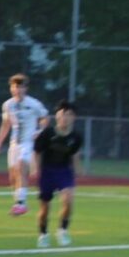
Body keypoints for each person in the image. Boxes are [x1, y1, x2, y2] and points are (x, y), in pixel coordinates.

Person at [0, 74, 49, 219]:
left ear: (26, 88)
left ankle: (21, 203)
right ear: (11, 88)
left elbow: (45, 118)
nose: (17, 90)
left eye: (20, 87)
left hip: (28, 143)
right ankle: (18, 202)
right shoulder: (8, 105)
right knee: (12, 177)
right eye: (15, 87)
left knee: (21, 167)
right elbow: (6, 124)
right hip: (14, 144)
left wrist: (39, 131)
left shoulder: (34, 104)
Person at [31, 100, 84, 248]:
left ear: (74, 117)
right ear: (57, 116)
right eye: (62, 114)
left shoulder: (76, 136)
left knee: (68, 200)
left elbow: (74, 154)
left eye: (69, 115)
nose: (65, 118)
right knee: (44, 208)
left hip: (64, 171)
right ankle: (43, 234)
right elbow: (37, 152)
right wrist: (35, 169)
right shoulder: (47, 133)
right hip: (47, 172)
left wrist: (78, 168)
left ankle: (62, 230)